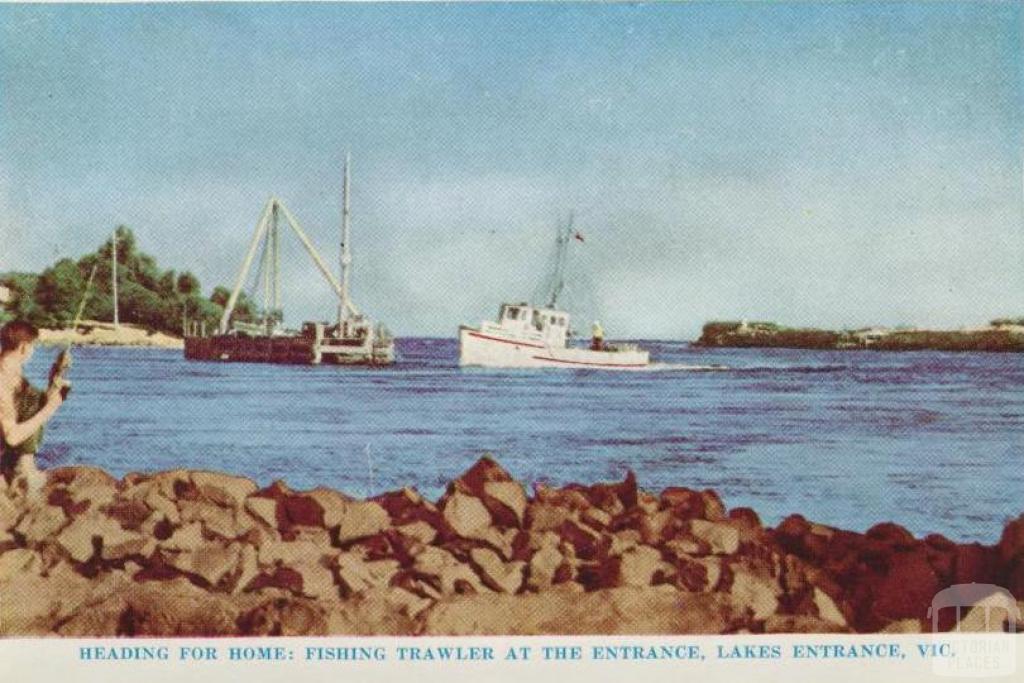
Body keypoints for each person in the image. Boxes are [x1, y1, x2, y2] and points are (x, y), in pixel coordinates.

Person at [0, 320, 64, 494]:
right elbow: (12, 437)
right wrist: (50, 408)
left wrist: (54, 377)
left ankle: (21, 466)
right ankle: (23, 468)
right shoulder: (2, 383)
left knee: (35, 398)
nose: (32, 351)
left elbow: (33, 404)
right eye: (32, 346)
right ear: (23, 347)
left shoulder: (14, 376)